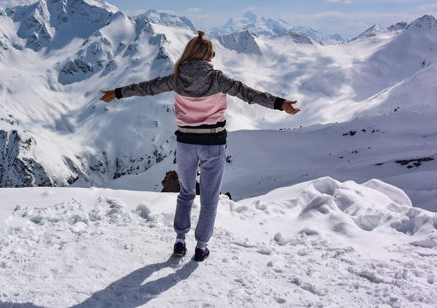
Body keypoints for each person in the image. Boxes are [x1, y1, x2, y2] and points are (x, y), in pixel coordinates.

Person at [100, 31, 300, 262]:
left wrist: (117, 93)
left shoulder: (176, 79)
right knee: (209, 198)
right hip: (213, 143)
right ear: (208, 56)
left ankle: (180, 241)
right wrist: (279, 103)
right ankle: (201, 246)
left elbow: (147, 87)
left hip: (185, 144)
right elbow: (248, 94)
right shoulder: (217, 79)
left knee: (186, 193)